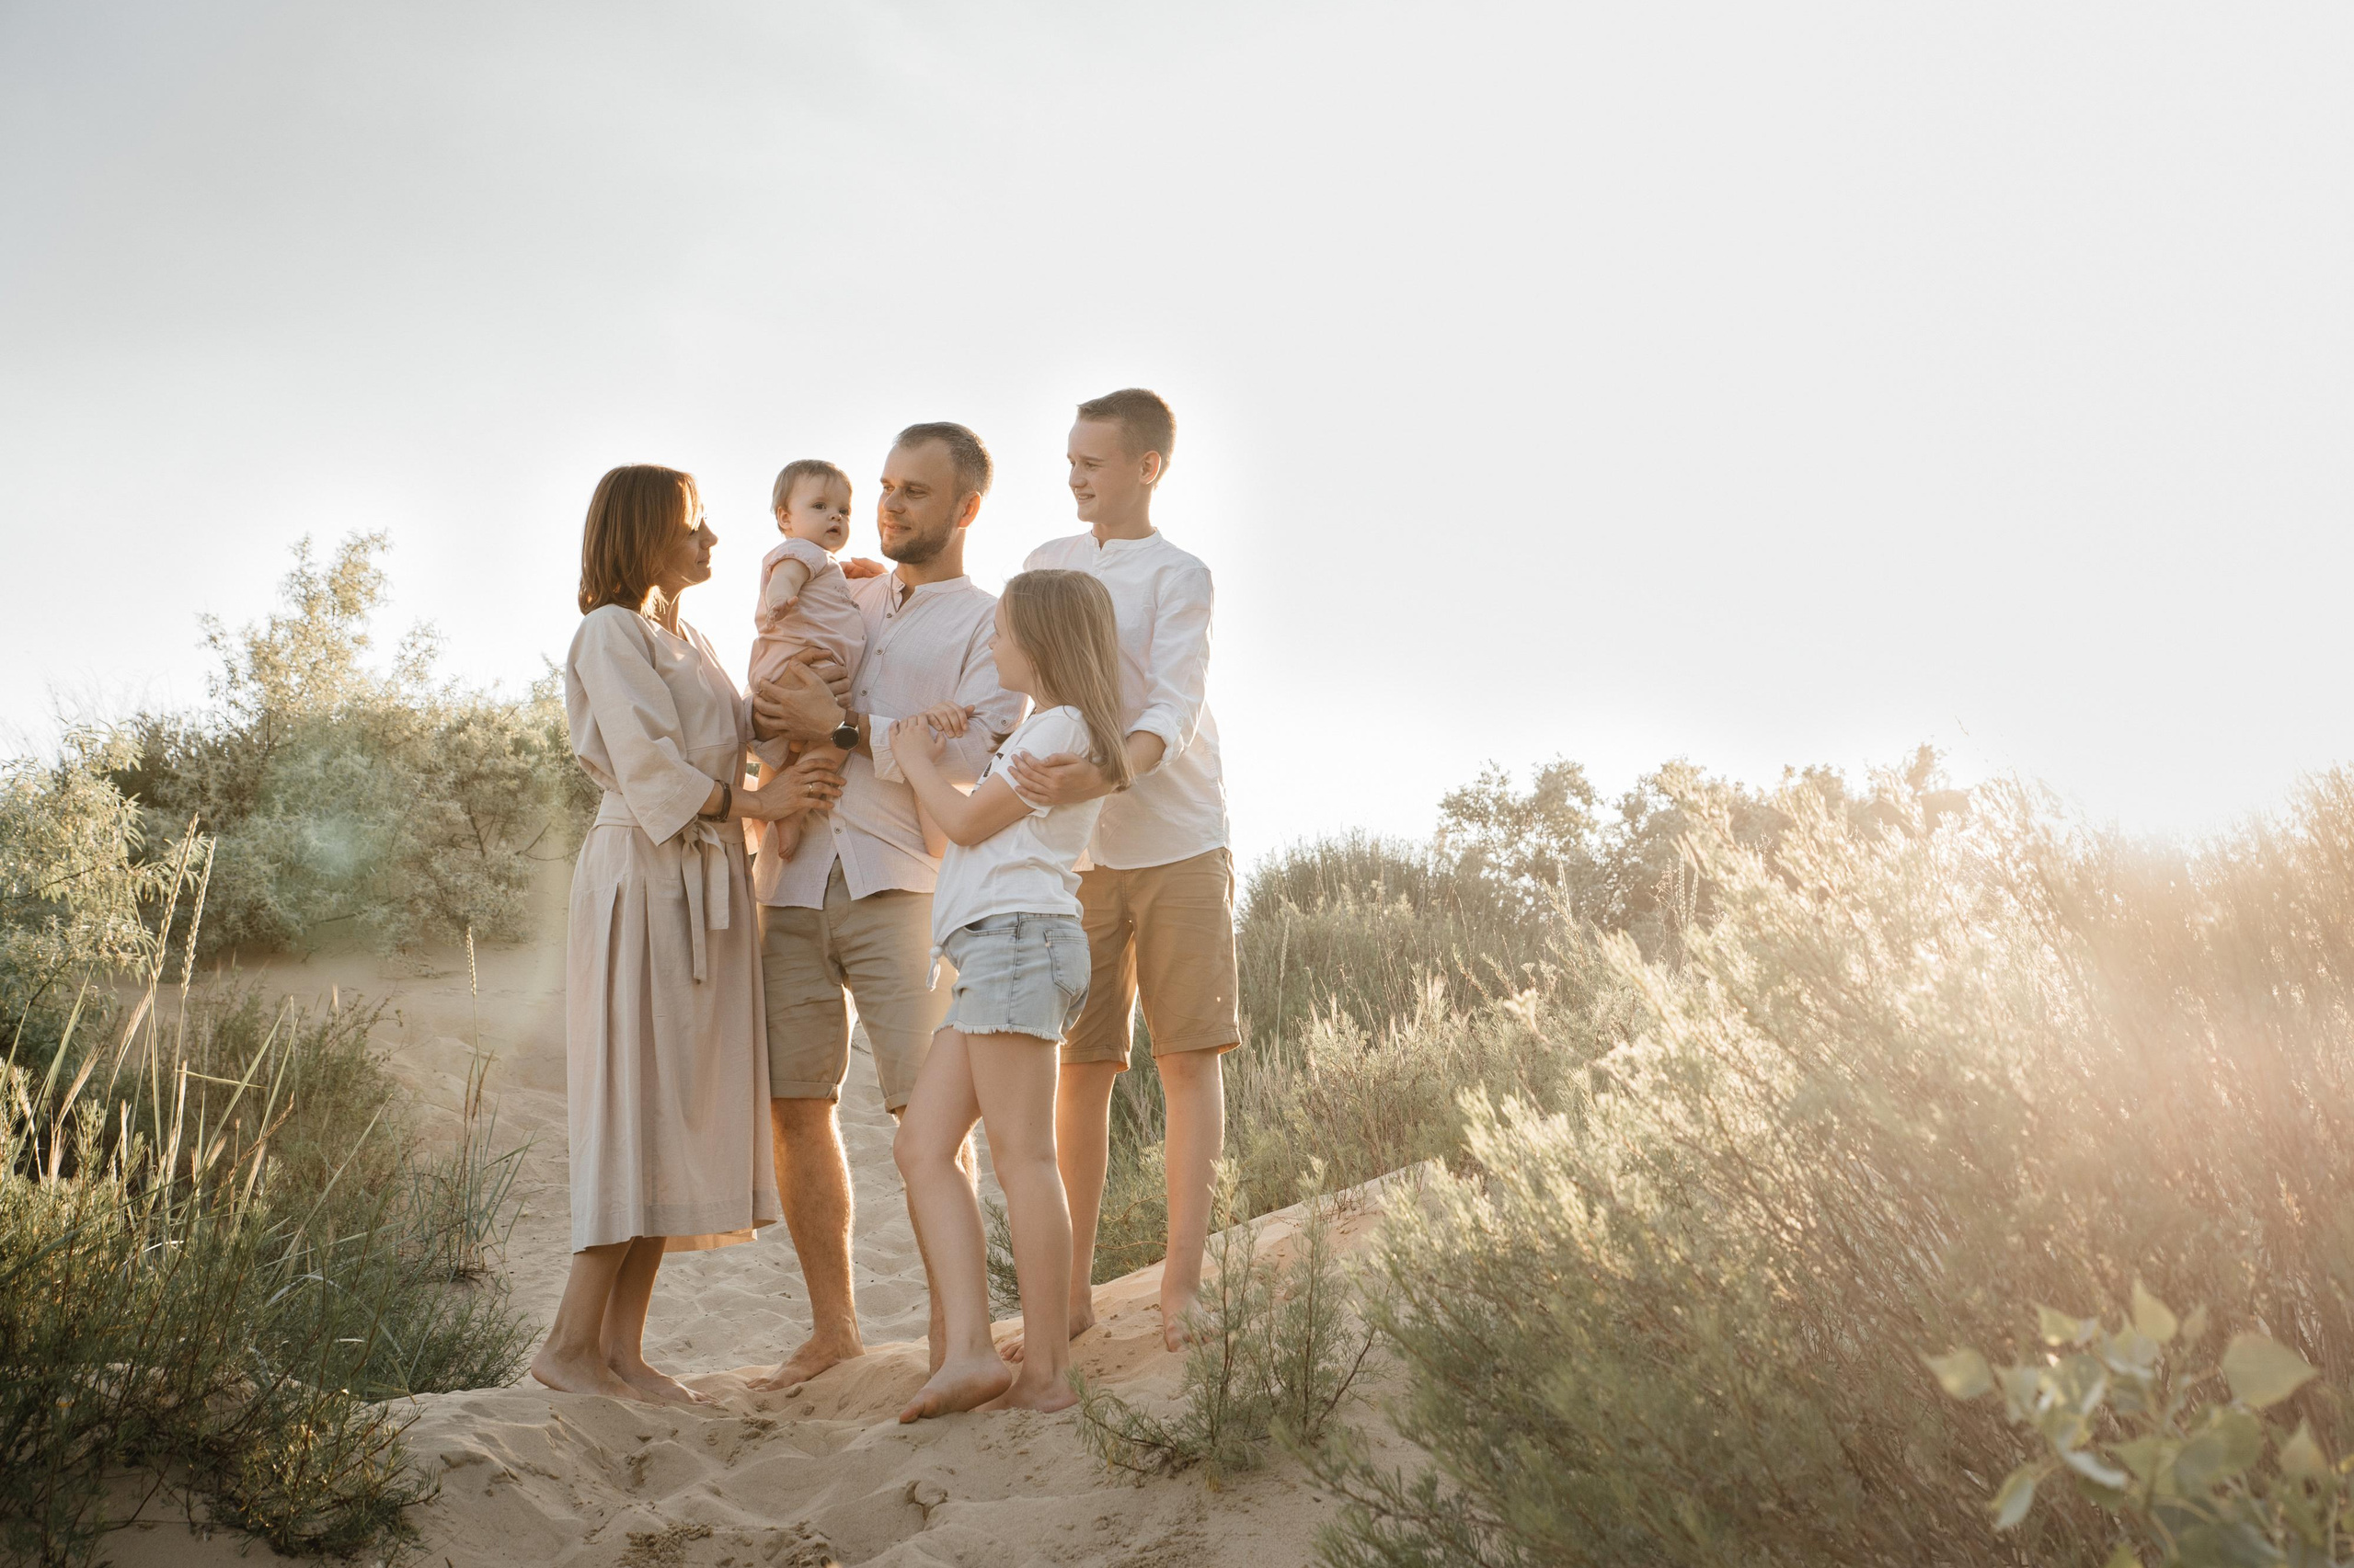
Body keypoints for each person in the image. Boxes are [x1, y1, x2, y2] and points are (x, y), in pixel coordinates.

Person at [531, 463, 845, 1405]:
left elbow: (743, 729)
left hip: (705, 877)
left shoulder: (690, 637)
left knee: (670, 1106)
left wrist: (835, 609)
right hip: (644, 875)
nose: (712, 540)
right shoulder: (608, 631)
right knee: (637, 1100)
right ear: (644, 533)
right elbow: (649, 766)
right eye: (694, 524)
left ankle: (621, 1352)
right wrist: (763, 802)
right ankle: (567, 1344)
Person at [745, 423, 1028, 1391]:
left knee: (930, 1114)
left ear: (966, 507)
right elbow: (774, 678)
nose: (890, 506)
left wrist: (844, 727)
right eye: (885, 486)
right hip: (789, 883)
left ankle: (958, 1337)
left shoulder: (989, 625)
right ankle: (835, 1331)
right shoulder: (847, 588)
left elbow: (972, 757)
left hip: (903, 883)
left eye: (915, 491)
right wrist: (782, 719)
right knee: (796, 1103)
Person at [1013, 388, 1238, 1353]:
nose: (1075, 476)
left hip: (1180, 838)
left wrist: (1106, 771)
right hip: (1077, 853)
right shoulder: (1044, 563)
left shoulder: (1182, 575)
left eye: (1092, 462)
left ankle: (1182, 1289)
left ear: (1148, 466)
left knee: (1186, 1059)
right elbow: (1010, 674)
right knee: (1082, 1066)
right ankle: (1067, 1297)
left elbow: (1172, 707)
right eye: (1070, 460)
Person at [890, 569, 1132, 1419]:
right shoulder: (1044, 728)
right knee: (922, 1145)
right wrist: (939, 760)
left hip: (1019, 944)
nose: (991, 643)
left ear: (1040, 641)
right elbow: (960, 837)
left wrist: (912, 759)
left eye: (1000, 630)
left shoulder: (1062, 726)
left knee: (1022, 1156)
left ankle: (1047, 1373)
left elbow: (961, 823)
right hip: (997, 951)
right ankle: (969, 1351)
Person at [746, 458, 867, 865]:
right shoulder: (801, 551)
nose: (835, 516)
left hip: (800, 669)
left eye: (844, 510)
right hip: (801, 667)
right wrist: (780, 598)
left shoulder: (824, 563)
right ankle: (793, 808)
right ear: (786, 518)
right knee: (839, 735)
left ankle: (776, 810)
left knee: (802, 747)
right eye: (819, 506)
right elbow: (785, 578)